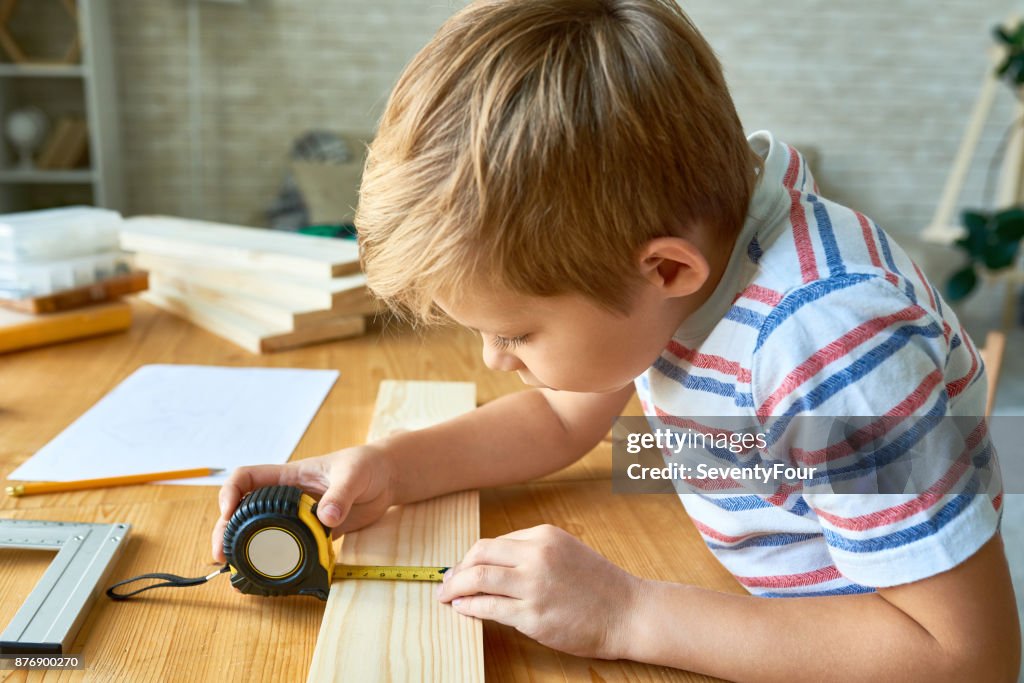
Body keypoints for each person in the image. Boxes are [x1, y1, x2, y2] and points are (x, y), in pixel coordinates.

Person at [212, 1, 1021, 678]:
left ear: (665, 271)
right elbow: (563, 417)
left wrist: (628, 612)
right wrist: (392, 465)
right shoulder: (691, 250)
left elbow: (967, 654)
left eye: (517, 332)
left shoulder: (828, 345)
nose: (496, 359)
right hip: (761, 552)